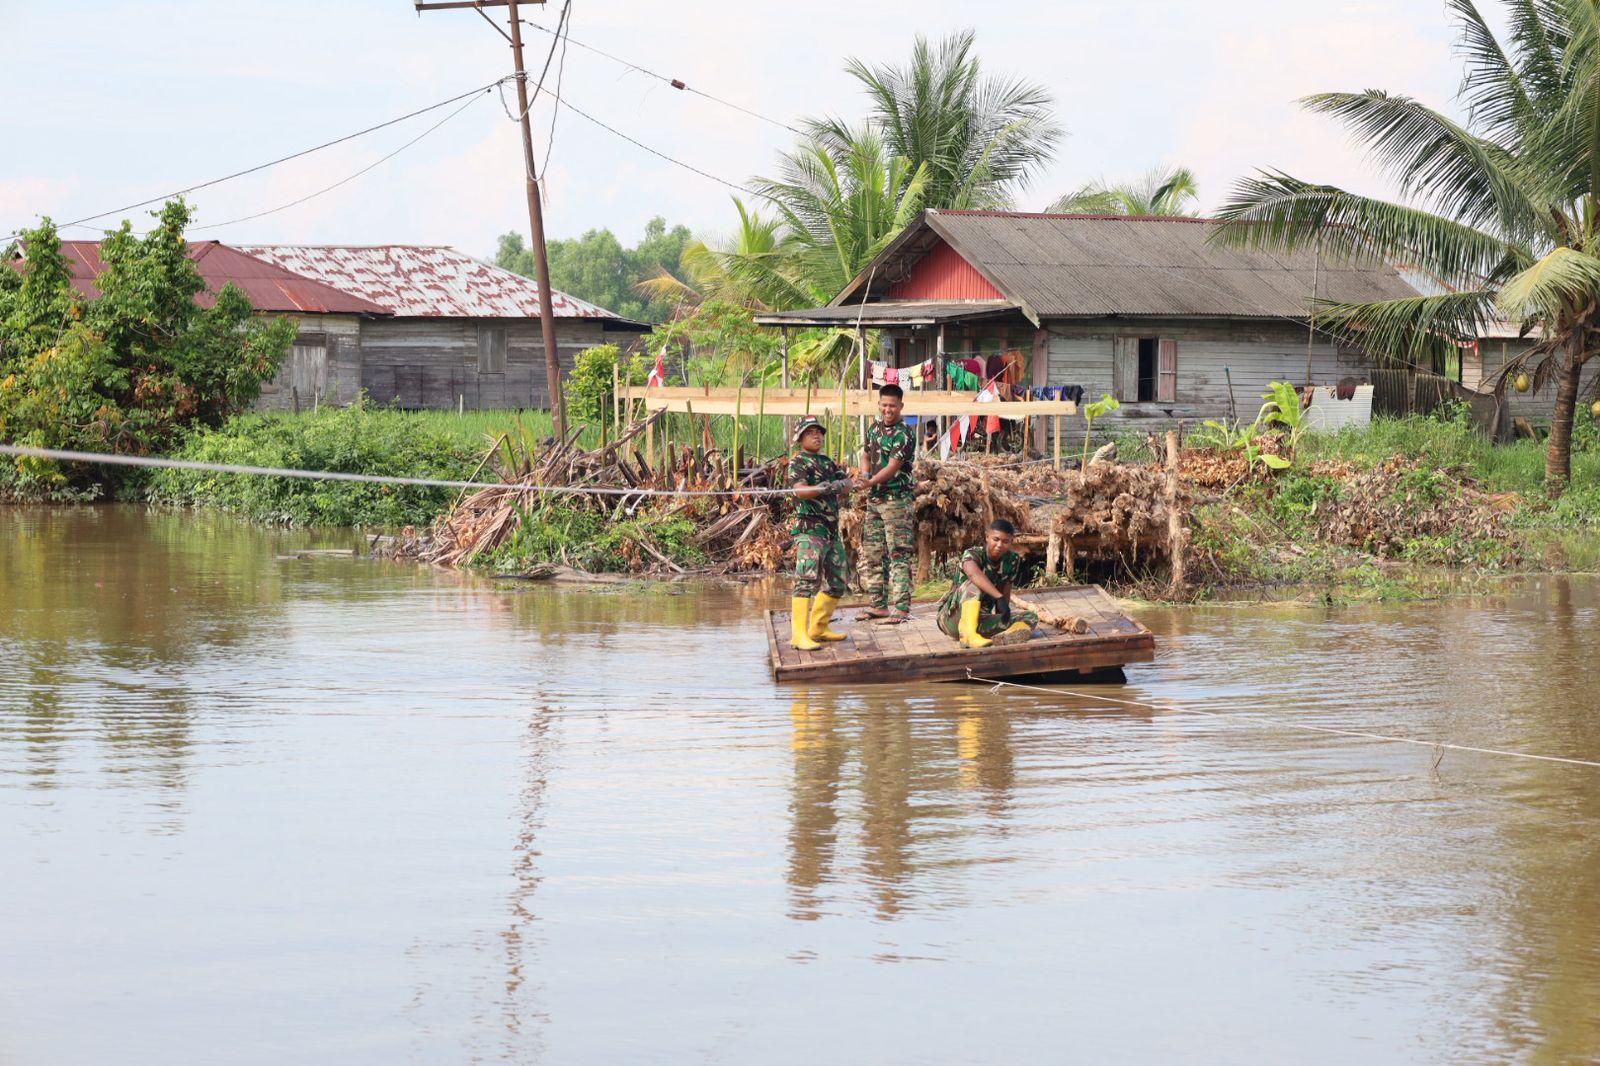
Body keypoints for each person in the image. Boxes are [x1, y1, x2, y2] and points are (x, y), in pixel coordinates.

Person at [787, 416, 858, 651]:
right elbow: (799, 491)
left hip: (830, 530)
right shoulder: (798, 463)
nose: (817, 436)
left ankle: (818, 627)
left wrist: (842, 485)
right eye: (810, 433)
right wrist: (822, 488)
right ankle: (799, 635)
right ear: (800, 438)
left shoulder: (827, 462)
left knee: (838, 581)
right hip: (810, 530)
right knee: (806, 580)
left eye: (819, 432)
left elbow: (848, 484)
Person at [857, 384, 916, 622]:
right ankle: (878, 605)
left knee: (898, 553)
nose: (888, 409)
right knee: (873, 552)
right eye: (884, 405)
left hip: (896, 500)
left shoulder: (905, 434)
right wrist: (863, 474)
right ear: (879, 405)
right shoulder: (874, 429)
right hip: (875, 501)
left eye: (892, 405)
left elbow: (892, 468)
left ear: (901, 406)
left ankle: (901, 608)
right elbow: (866, 454)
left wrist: (869, 482)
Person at [936, 518, 1039, 648]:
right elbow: (973, 573)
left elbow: (1005, 589)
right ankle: (967, 637)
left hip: (981, 621)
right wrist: (998, 596)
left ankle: (1005, 636)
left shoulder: (1012, 560)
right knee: (973, 586)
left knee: (1030, 617)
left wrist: (1003, 615)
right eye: (996, 539)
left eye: (1005, 541)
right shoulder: (973, 554)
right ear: (987, 537)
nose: (1000, 545)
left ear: (1011, 542)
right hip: (953, 619)